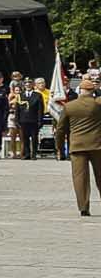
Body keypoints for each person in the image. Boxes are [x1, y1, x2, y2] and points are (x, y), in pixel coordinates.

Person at [61, 83, 101, 215]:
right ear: (93, 91)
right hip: (97, 145)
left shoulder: (69, 106)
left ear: (80, 91)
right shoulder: (98, 104)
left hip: (77, 146)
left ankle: (83, 207)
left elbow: (61, 129)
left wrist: (59, 147)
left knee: (80, 178)